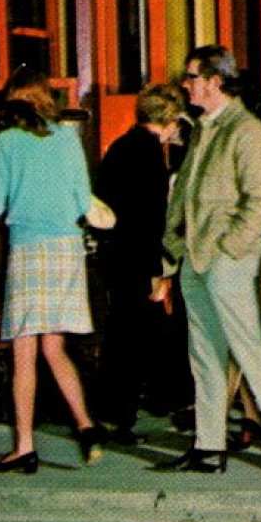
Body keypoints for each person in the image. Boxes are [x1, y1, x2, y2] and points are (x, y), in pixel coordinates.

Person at [153, 46, 261, 475]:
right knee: (204, 353)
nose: (185, 85)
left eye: (191, 77)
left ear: (215, 81)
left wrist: (231, 247)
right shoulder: (203, 128)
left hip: (226, 258)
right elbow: (185, 192)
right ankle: (209, 446)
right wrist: (174, 245)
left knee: (250, 348)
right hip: (195, 257)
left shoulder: (244, 130)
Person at [0, 67, 106, 473]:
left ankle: (24, 446)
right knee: (54, 349)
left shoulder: (4, 142)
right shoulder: (67, 138)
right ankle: (86, 426)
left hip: (29, 249)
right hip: (66, 251)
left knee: (24, 354)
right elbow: (81, 202)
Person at [92, 82, 193, 445]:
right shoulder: (150, 155)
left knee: (124, 337)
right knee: (131, 342)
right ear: (168, 119)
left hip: (116, 256)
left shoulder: (120, 147)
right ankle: (118, 417)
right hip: (138, 260)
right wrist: (157, 272)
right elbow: (152, 219)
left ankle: (114, 415)